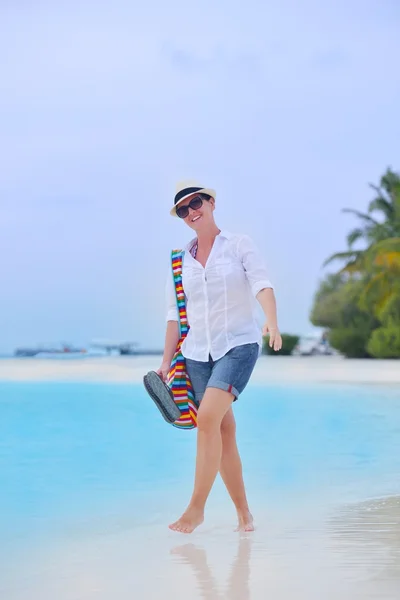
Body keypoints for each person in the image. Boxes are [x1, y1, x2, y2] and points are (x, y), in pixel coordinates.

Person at [157, 180, 282, 534]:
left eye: (195, 203)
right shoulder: (179, 260)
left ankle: (195, 509)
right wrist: (166, 362)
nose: (191, 212)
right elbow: (173, 314)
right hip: (197, 353)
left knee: (208, 419)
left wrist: (271, 322)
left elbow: (262, 284)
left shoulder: (239, 244)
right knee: (224, 430)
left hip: (239, 345)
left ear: (211, 202)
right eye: (183, 210)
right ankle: (244, 515)